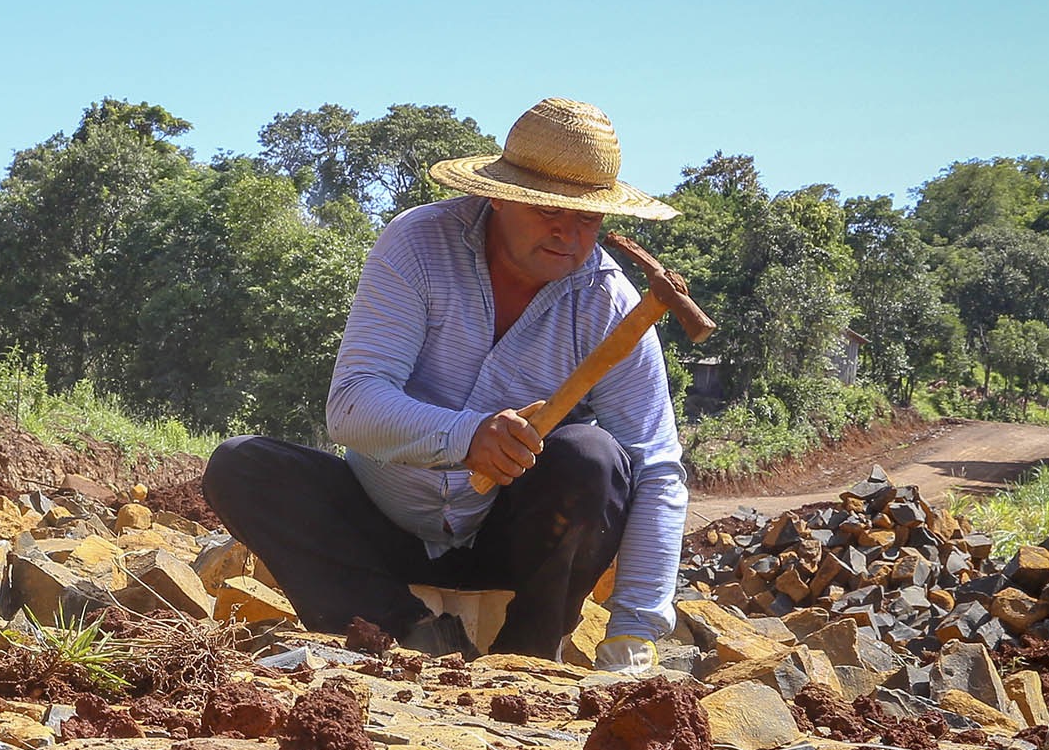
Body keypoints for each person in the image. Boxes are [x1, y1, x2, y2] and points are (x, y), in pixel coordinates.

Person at [202, 97, 687, 667]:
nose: (567, 235)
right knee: (243, 466)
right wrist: (468, 436)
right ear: (501, 197)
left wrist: (634, 632)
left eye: (586, 218)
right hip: (381, 533)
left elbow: (657, 467)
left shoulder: (610, 305)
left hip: (508, 544)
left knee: (594, 458)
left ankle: (526, 659)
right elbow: (353, 404)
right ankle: (401, 633)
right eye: (548, 211)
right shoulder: (418, 246)